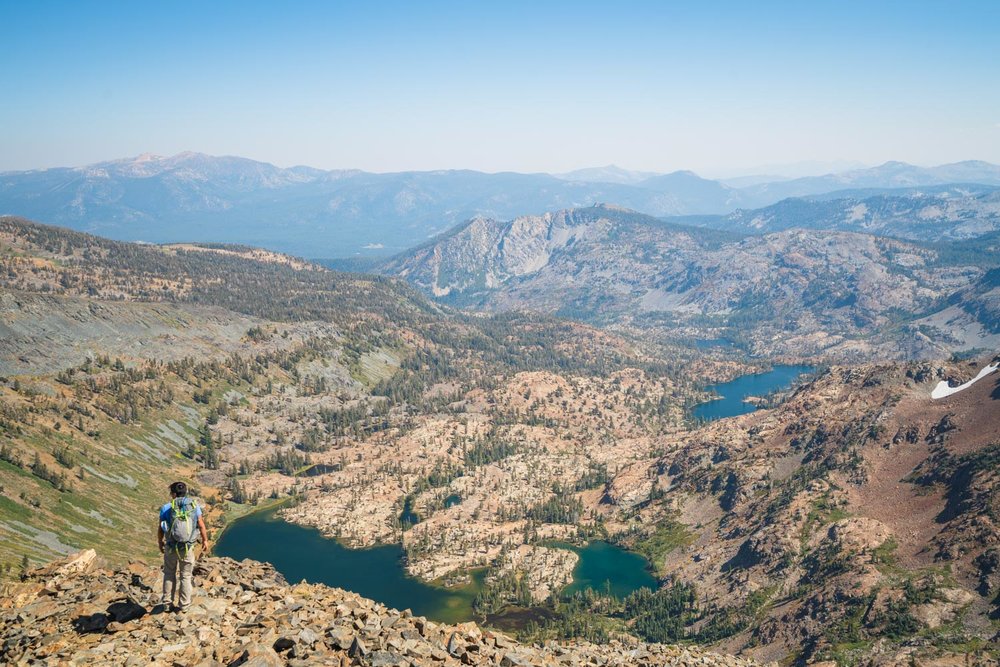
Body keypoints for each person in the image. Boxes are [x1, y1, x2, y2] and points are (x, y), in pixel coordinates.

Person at [157, 481, 209, 612]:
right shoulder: (193, 506)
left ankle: (167, 604)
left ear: (173, 494)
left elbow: (161, 528)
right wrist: (205, 540)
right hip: (187, 547)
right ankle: (184, 605)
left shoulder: (166, 508)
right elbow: (201, 525)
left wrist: (160, 542)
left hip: (170, 547)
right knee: (185, 576)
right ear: (185, 492)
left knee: (169, 573)